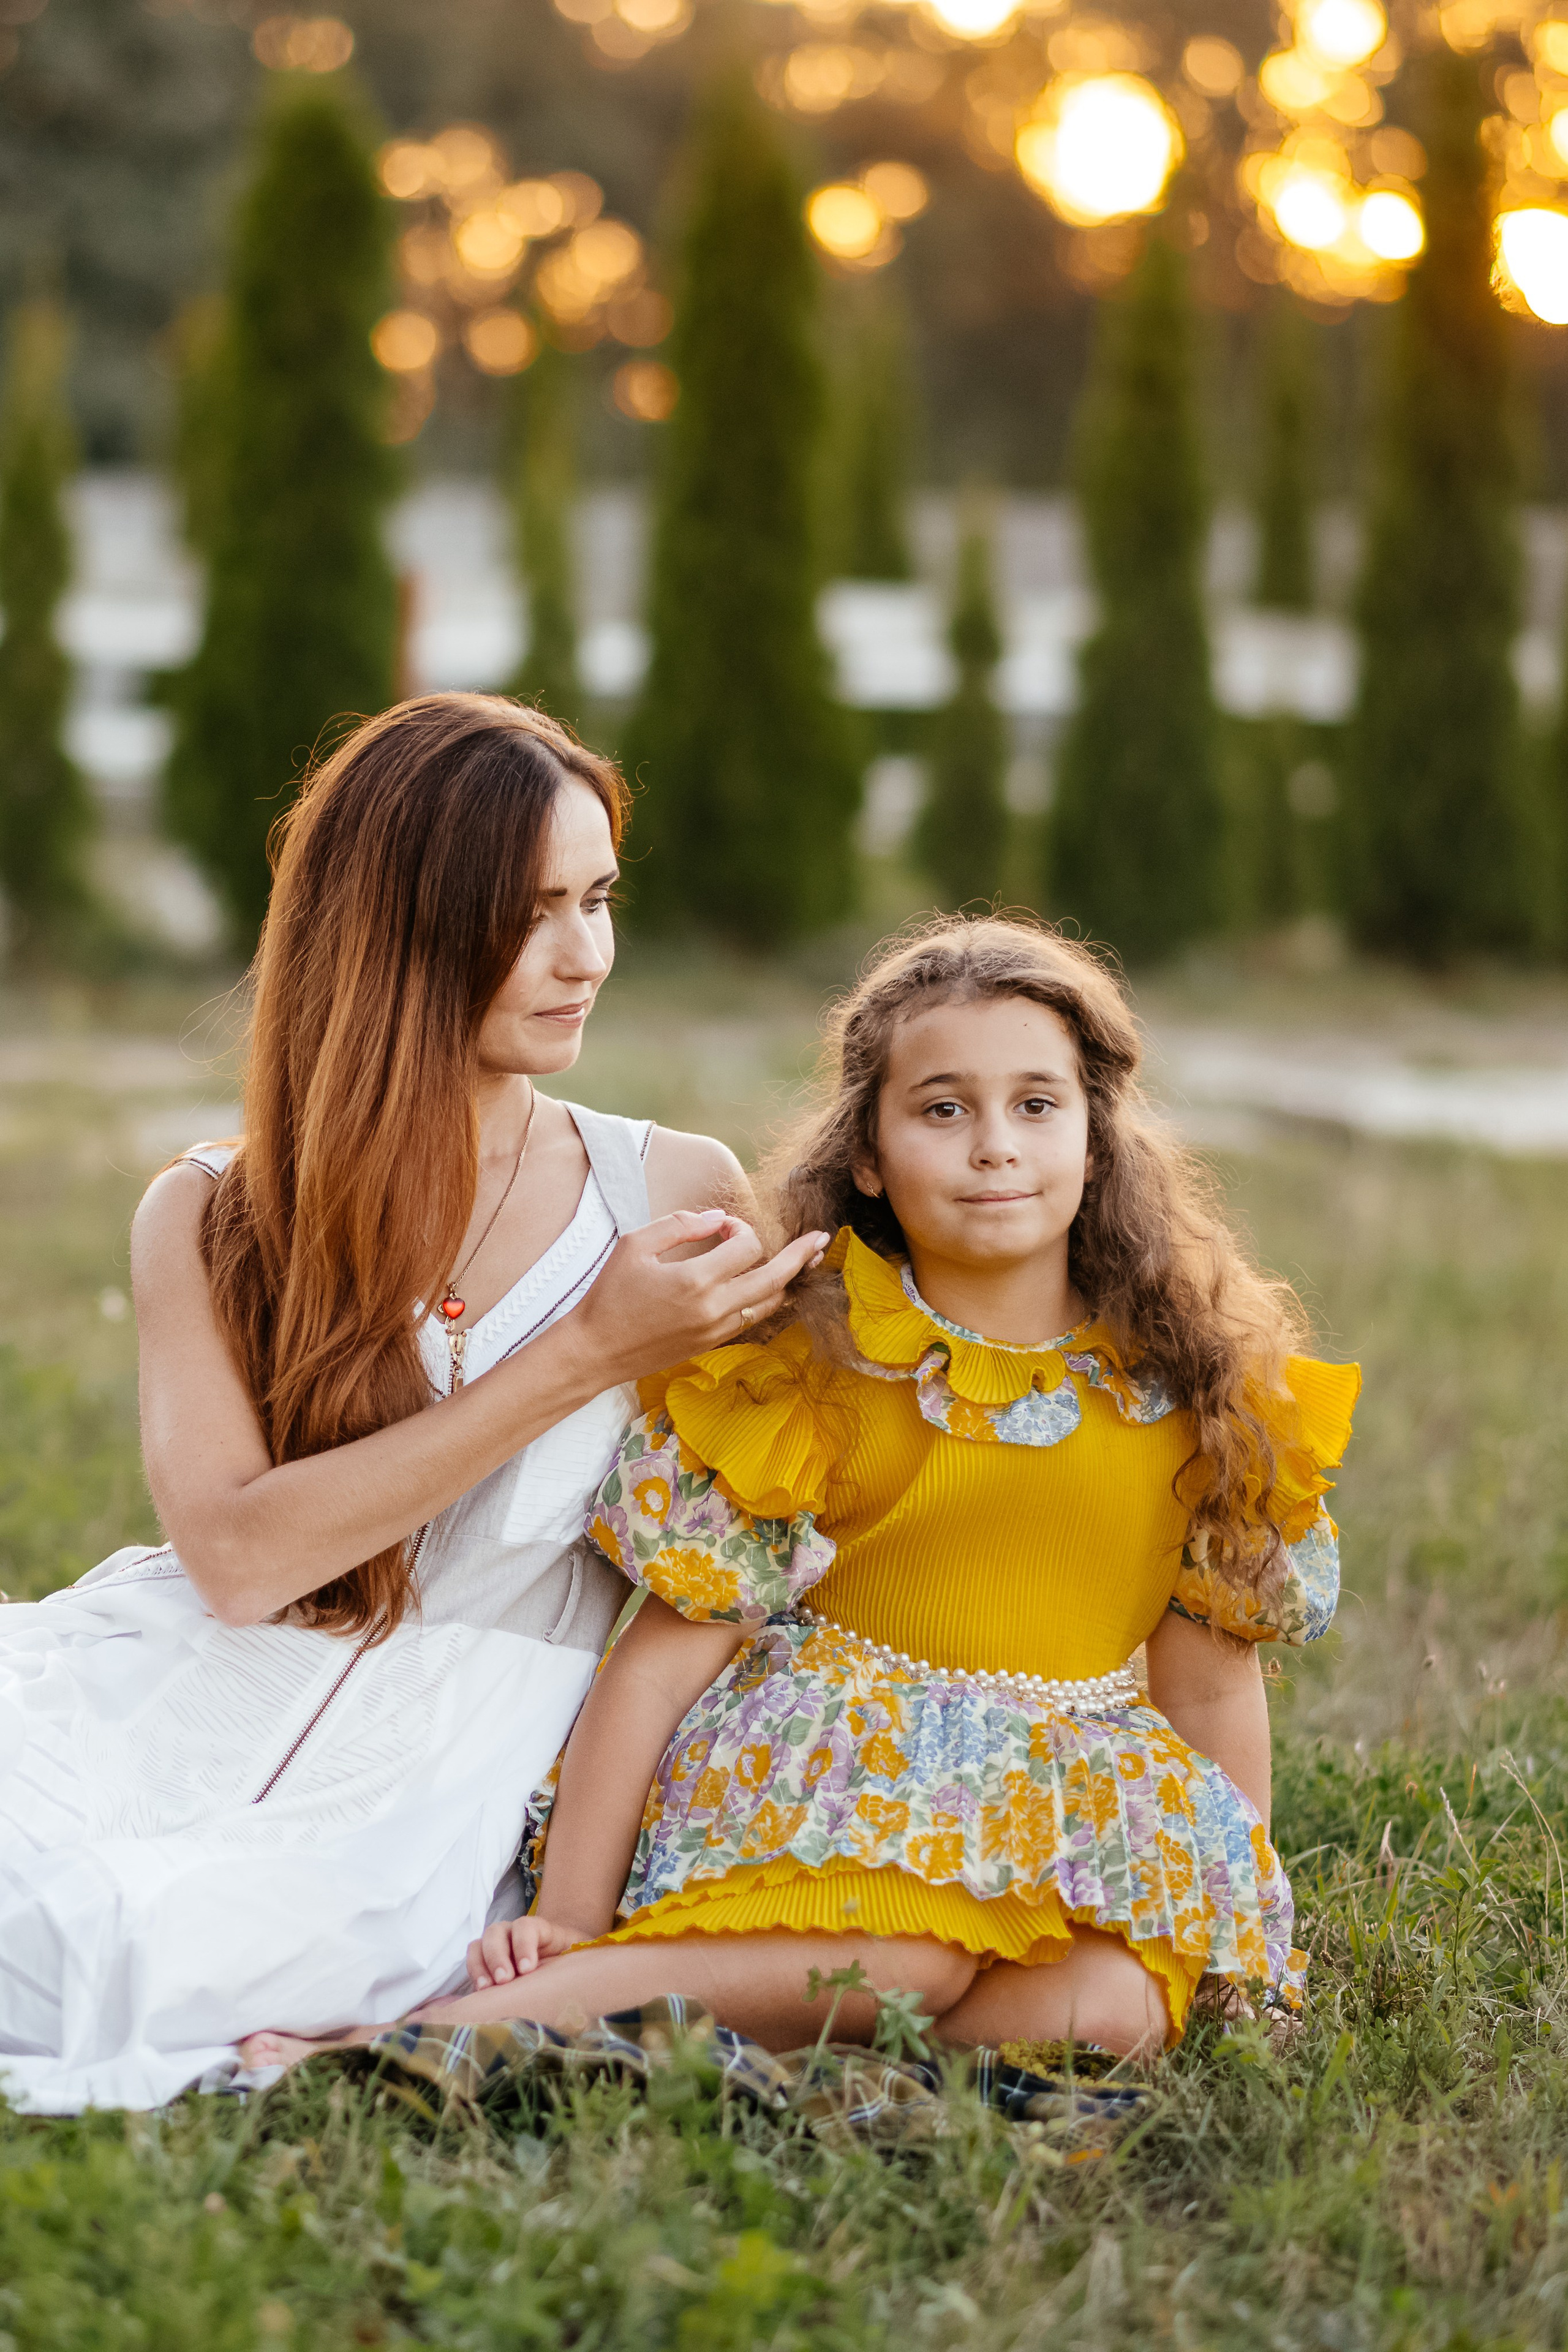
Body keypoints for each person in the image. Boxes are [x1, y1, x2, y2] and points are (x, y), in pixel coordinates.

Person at [243, 916, 1358, 2071]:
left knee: (1115, 2014)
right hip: (830, 1801)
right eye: (943, 1110)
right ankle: (426, 2040)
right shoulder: (819, 1369)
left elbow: (1210, 1686)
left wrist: (1237, 1935)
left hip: (1061, 1824)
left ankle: (759, 2044)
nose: (995, 1147)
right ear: (868, 1154)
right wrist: (570, 1913)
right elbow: (660, 1663)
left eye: (1037, 1105)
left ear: (1096, 1138)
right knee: (909, 1957)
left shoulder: (1196, 1391)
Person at [0, 693, 825, 2114]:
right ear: (396, 928)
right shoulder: (212, 1209)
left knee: (138, 1952)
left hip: (463, 1756)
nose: (586, 957)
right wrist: (584, 1351)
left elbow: (752, 1555)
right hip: (200, 1675)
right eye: (531, 913)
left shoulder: (670, 1195)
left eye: (597, 901)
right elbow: (239, 1559)